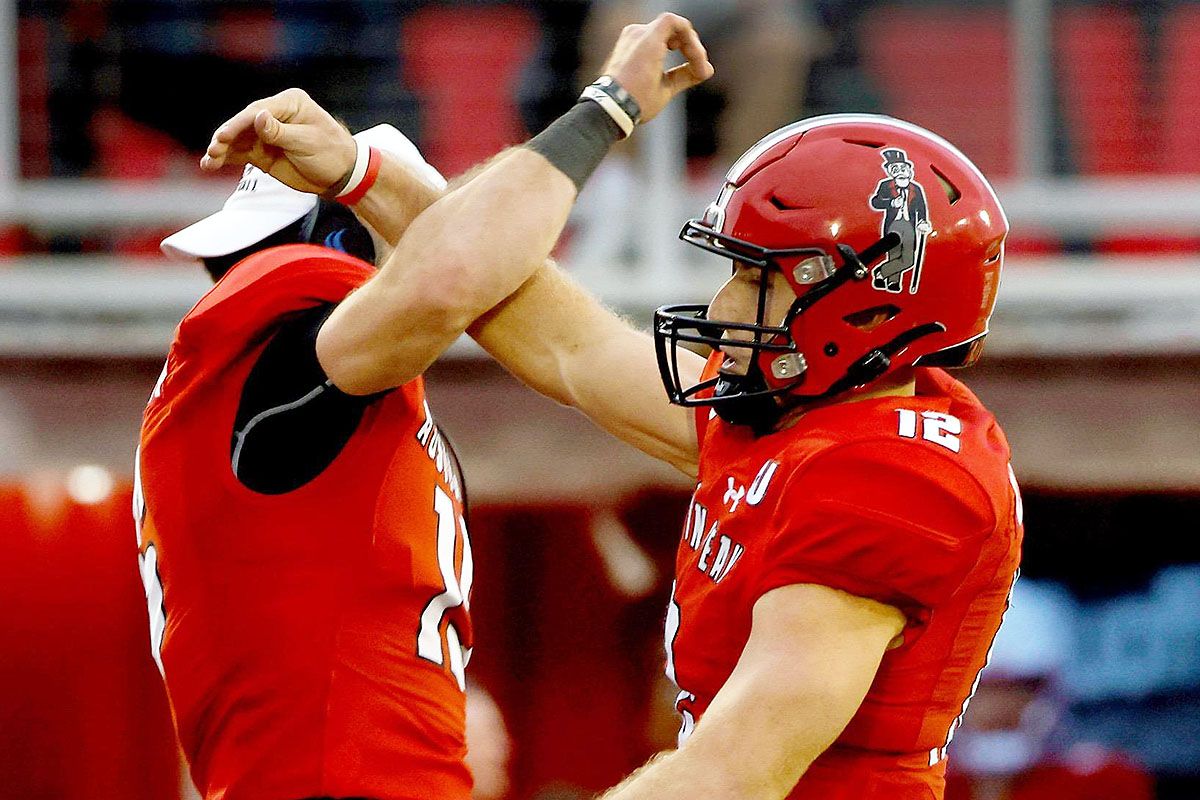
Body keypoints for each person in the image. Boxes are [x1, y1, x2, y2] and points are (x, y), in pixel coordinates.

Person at [229, 98, 1021, 798]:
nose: (722, 303)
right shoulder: (803, 412)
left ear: (864, 302)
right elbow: (564, 343)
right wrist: (369, 178)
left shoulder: (894, 482)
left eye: (757, 278)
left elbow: (741, 772)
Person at [134, 15, 713, 800]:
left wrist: (367, 176)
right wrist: (607, 107)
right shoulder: (271, 336)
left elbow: (514, 297)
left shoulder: (313, 410)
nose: (236, 271)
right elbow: (450, 274)